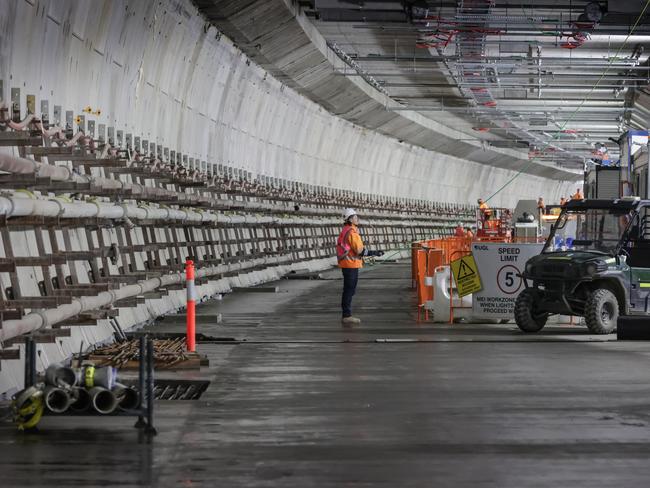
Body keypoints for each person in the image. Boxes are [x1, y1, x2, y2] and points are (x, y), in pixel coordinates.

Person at [337, 208, 383, 327]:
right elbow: (360, 251)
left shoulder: (345, 230)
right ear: (350, 219)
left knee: (349, 290)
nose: (357, 218)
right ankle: (346, 316)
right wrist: (375, 253)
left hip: (347, 264)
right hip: (350, 265)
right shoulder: (352, 232)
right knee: (349, 290)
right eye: (355, 217)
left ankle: (346, 314)